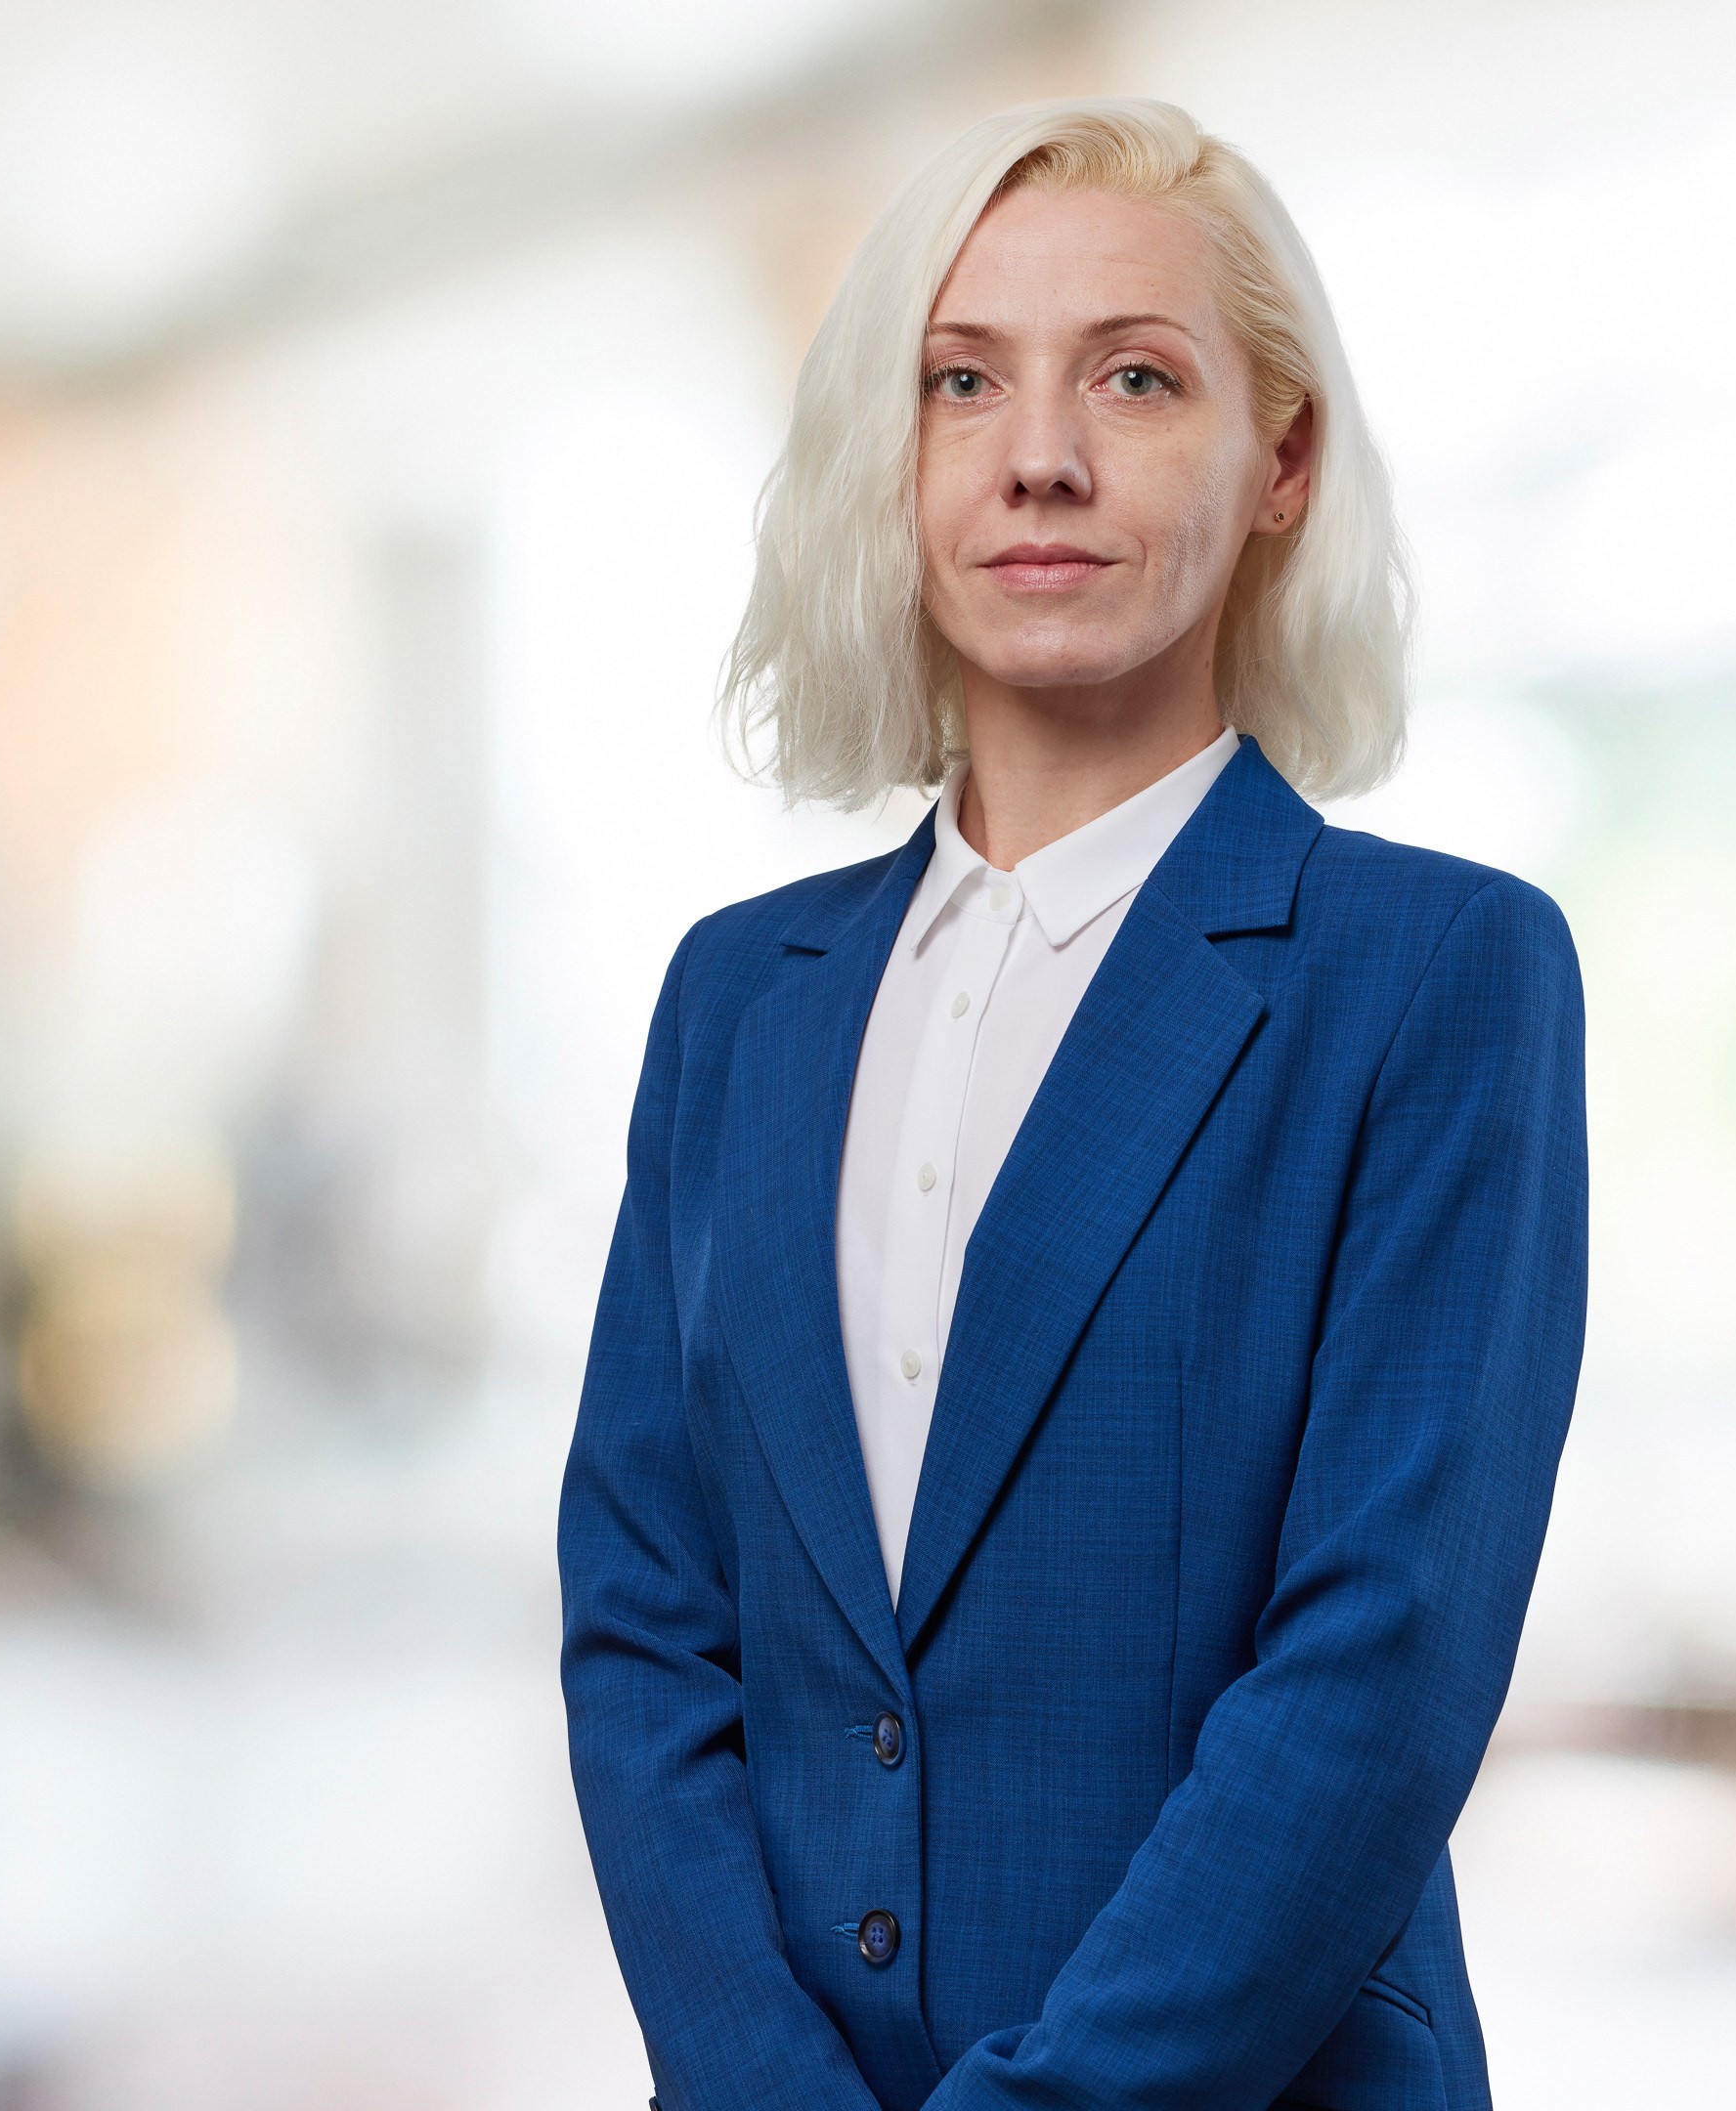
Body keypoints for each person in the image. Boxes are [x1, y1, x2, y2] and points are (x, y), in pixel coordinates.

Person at [557, 98, 1587, 2111]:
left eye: (1136, 375)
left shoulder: (1437, 978)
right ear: (896, 452)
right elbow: (645, 1627)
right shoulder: (733, 1007)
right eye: (962, 382)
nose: (1040, 451)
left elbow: (1377, 1668)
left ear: (1281, 459)